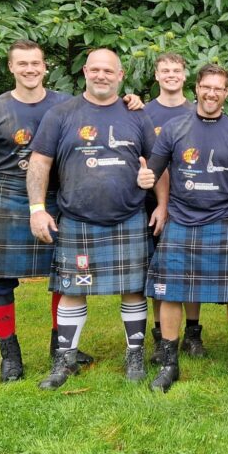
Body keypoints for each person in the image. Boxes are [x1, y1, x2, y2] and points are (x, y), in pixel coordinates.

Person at [0, 39, 139, 381]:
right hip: (7, 195)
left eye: (36, 63)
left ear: (45, 67)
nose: (30, 69)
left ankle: (61, 349)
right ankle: (9, 355)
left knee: (64, 278)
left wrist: (130, 101)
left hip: (56, 195)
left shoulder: (65, 105)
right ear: (11, 67)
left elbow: (103, 112)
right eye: (22, 63)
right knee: (1, 281)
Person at [28, 49, 155, 389]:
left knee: (133, 290)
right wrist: (36, 208)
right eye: (95, 69)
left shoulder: (137, 115)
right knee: (71, 290)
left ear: (120, 75)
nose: (101, 75)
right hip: (77, 217)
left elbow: (156, 163)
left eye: (108, 70)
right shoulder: (62, 114)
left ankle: (135, 354)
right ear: (85, 71)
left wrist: (161, 201)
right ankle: (64, 359)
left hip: (129, 215)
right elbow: (40, 162)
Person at [136, 64, 228, 393]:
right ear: (197, 88)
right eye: (207, 86)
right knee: (171, 294)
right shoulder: (175, 129)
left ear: (226, 93)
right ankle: (168, 363)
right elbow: (154, 171)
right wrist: (145, 178)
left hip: (221, 221)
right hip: (181, 221)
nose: (211, 93)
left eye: (219, 88)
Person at [142, 52, 204, 363]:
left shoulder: (197, 111)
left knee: (190, 271)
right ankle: (160, 336)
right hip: (151, 205)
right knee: (160, 272)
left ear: (184, 75)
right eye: (164, 70)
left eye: (176, 70)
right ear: (156, 76)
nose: (170, 75)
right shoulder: (143, 113)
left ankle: (193, 334)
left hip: (189, 206)